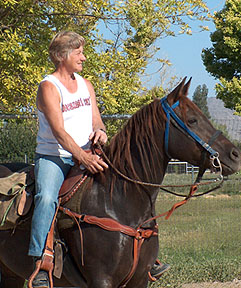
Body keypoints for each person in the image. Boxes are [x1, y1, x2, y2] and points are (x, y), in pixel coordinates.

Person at [28, 31, 169, 287]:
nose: (84, 57)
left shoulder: (86, 84)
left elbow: (96, 119)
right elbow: (59, 131)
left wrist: (101, 131)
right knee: (47, 197)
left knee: (130, 186)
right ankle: (41, 260)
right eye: (78, 52)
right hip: (55, 157)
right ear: (62, 56)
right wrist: (82, 157)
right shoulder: (48, 87)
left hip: (88, 154)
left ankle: (147, 258)